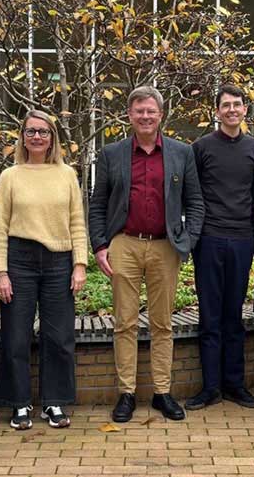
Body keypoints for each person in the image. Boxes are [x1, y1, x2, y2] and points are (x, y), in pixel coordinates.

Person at [88, 86, 205, 423]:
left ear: (161, 115)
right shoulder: (112, 153)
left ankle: (162, 393)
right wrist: (100, 246)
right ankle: (126, 393)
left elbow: (195, 202)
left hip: (165, 246)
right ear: (129, 115)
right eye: (139, 111)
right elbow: (98, 204)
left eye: (151, 111)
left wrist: (188, 240)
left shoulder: (182, 153)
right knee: (124, 323)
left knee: (162, 324)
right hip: (124, 243)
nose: (145, 116)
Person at [0, 110, 87, 430]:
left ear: (52, 138)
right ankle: (19, 404)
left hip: (59, 261)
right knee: (16, 337)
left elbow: (77, 222)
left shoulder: (66, 175)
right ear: (23, 136)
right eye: (31, 131)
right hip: (19, 260)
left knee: (58, 337)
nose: (36, 137)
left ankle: (54, 402)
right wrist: (1, 272)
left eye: (43, 132)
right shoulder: (10, 176)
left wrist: (79, 265)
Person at [187, 84, 254, 411]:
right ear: (216, 111)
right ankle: (211, 387)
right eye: (225, 105)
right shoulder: (201, 147)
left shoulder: (253, 147)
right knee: (210, 315)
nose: (232, 110)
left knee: (234, 315)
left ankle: (235, 384)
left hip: (242, 239)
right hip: (209, 239)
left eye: (237, 104)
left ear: (245, 109)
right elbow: (191, 194)